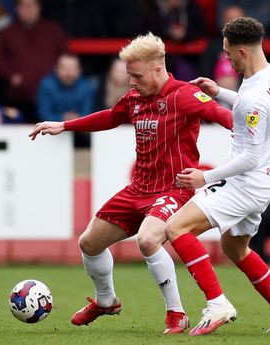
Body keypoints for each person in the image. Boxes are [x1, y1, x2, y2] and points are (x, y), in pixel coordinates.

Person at [28, 32, 233, 334]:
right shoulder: (135, 99)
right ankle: (106, 301)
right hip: (138, 189)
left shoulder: (184, 95)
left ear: (157, 69)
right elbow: (111, 117)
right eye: (129, 76)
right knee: (89, 243)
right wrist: (65, 126)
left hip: (173, 189)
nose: (131, 82)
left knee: (148, 239)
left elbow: (222, 115)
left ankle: (176, 313)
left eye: (136, 76)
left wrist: (254, 143)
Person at [165, 17, 270, 336]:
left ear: (242, 51)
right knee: (235, 249)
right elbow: (252, 109)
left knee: (177, 228)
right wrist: (219, 93)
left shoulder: (254, 97)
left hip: (246, 183)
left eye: (227, 53)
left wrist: (206, 177)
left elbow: (250, 155)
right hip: (266, 182)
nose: (225, 58)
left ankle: (217, 304)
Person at [0, 0, 67, 123]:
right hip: (18, 96)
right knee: (20, 136)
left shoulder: (53, 29)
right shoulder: (6, 32)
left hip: (52, 95)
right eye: (24, 6)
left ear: (39, 8)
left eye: (32, 5)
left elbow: (64, 55)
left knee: (51, 133)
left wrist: (56, 77)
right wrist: (11, 76)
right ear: (17, 9)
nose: (28, 9)